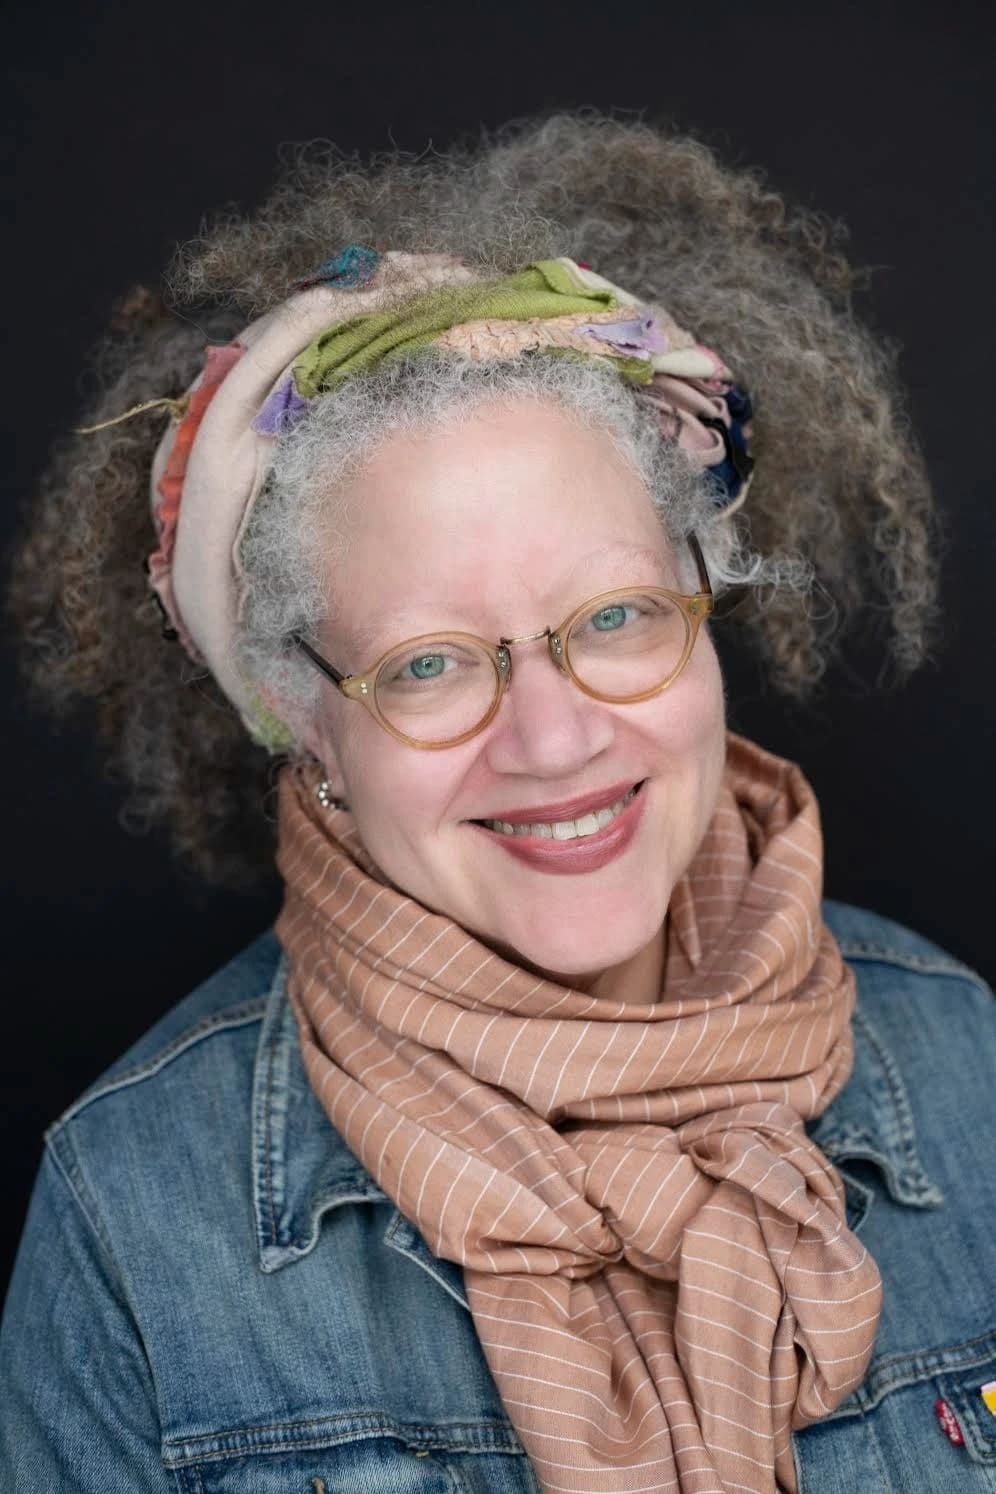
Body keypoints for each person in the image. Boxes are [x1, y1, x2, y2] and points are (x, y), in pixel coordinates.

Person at [2, 111, 994, 1494]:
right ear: (310, 723)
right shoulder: (131, 1220)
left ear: (705, 611)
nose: (553, 734)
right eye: (426, 662)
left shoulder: (971, 1065)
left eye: (617, 614)